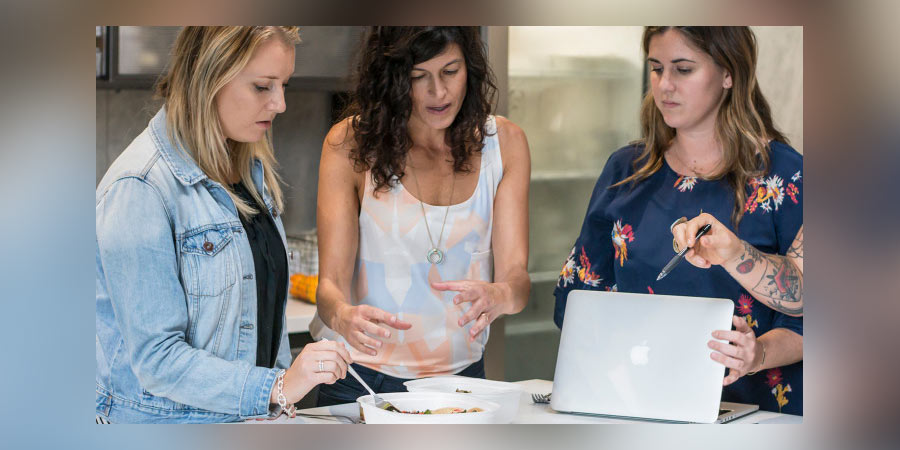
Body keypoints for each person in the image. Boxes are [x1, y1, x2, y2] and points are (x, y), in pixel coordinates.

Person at [95, 26, 352, 423]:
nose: (281, 104)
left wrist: (278, 396)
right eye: (263, 87)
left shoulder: (248, 172)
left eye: (283, 85)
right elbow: (158, 360)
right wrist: (278, 386)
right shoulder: (140, 187)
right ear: (208, 78)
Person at [553, 27, 803, 415]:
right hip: (636, 406)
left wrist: (758, 353)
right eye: (656, 69)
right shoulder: (626, 171)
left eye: (683, 69)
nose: (665, 85)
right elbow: (577, 300)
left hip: (755, 416)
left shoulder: (785, 177)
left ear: (728, 73)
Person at [310, 26, 531, 406]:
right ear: (393, 79)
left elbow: (518, 280)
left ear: (470, 68)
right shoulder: (349, 145)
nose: (438, 92)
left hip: (462, 382)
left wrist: (502, 294)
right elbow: (329, 288)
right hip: (360, 380)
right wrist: (342, 315)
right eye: (418, 76)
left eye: (450, 71)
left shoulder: (504, 144)